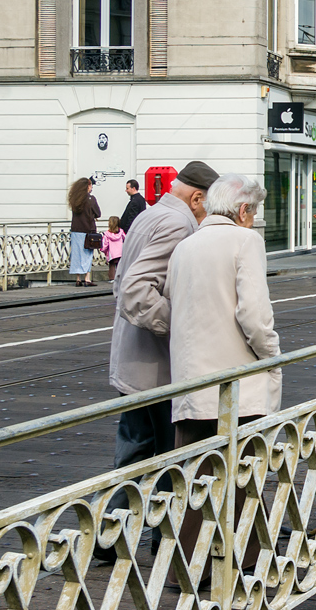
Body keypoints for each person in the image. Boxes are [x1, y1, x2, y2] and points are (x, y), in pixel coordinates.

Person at [97, 161, 218, 563]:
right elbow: (135, 290)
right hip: (156, 367)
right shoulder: (179, 225)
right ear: (197, 198)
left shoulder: (149, 214)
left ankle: (111, 534)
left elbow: (121, 282)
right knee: (172, 455)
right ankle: (163, 538)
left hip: (131, 361)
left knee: (134, 449)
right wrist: (179, 326)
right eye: (208, 207)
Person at [166, 173, 280, 576]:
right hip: (234, 387)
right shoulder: (245, 242)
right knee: (243, 477)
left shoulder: (185, 247)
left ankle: (190, 570)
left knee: (196, 483)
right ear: (244, 211)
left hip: (190, 386)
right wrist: (272, 354)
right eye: (255, 211)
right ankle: (248, 566)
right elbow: (253, 315)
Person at [68, 176, 101, 286]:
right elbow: (98, 213)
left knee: (77, 254)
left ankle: (78, 278)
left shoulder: (75, 199)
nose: (91, 187)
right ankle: (87, 278)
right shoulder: (91, 199)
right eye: (91, 185)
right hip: (88, 230)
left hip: (76, 229)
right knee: (87, 254)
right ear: (87, 187)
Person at [101, 216, 125, 282]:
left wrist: (103, 250)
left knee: (112, 266)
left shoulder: (107, 234)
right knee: (119, 266)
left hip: (112, 253)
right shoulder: (121, 232)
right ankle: (120, 277)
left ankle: (112, 278)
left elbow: (105, 244)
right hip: (120, 252)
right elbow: (125, 238)